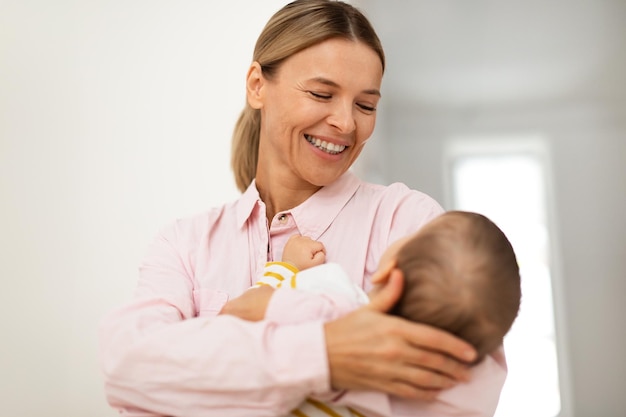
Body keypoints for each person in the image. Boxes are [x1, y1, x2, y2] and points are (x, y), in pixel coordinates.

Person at [98, 1, 508, 416]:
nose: (346, 124)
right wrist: (327, 354)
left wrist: (217, 362)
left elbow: (464, 392)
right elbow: (128, 368)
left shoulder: (407, 222)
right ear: (258, 86)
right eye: (321, 94)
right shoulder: (186, 245)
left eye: (365, 105)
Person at [235, 210, 521, 416]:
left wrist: (286, 267)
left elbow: (242, 313)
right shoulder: (455, 393)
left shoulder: (330, 299)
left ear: (389, 268)